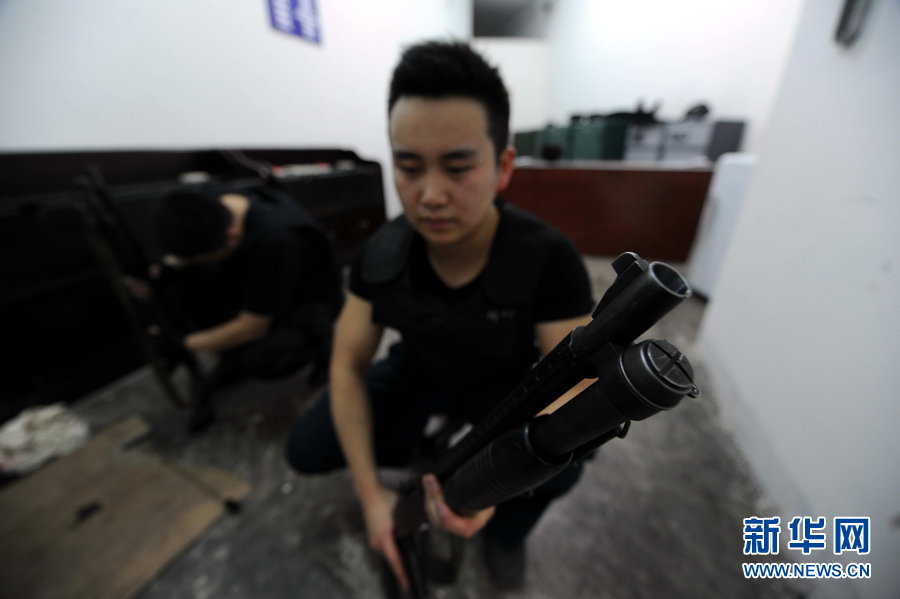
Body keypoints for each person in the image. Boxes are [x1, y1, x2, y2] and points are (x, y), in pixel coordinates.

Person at [285, 40, 595, 591]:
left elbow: (581, 384)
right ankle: (423, 467)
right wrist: (371, 497)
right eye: (408, 167)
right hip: (420, 374)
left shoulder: (545, 256)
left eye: (457, 168)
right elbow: (346, 367)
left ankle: (507, 533)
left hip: (508, 390)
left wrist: (496, 490)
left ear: (502, 167)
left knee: (567, 459)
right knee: (308, 447)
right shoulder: (381, 254)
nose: (429, 195)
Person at [144, 186, 343, 428]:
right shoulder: (216, 204)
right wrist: (160, 274)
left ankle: (323, 346)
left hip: (308, 301)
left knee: (261, 359)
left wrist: (183, 344)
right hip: (267, 281)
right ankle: (232, 354)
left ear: (234, 234)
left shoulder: (279, 241)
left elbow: (253, 327)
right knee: (186, 278)